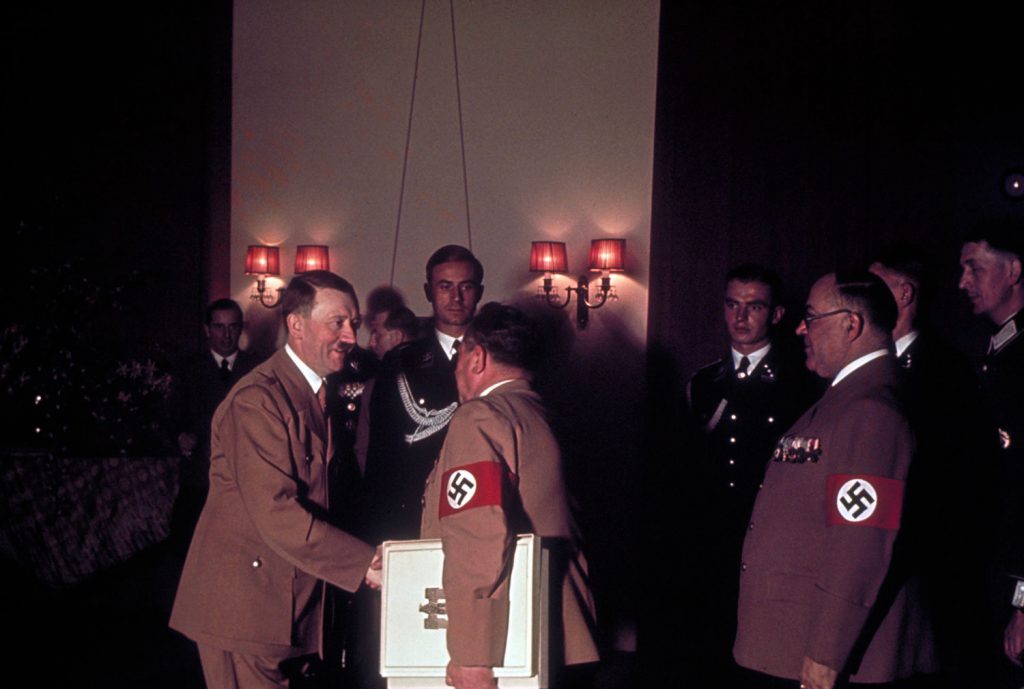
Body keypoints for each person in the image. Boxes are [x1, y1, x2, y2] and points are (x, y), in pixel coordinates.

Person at [169, 271, 382, 689]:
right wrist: (365, 564)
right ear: (296, 325)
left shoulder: (316, 392)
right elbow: (277, 513)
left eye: (353, 323)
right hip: (245, 610)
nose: (350, 336)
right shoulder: (258, 400)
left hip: (283, 607)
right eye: (336, 322)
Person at [734, 270, 936, 689]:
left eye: (811, 317)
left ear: (851, 324)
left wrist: (827, 654)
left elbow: (860, 543)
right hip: (794, 641)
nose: (800, 329)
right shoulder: (845, 400)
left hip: (838, 659)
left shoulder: (872, 411)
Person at [420, 303, 599, 689]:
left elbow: (477, 535)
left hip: (511, 643)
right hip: (568, 635)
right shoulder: (549, 416)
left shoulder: (481, 418)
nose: (455, 371)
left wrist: (472, 654)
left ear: (477, 357)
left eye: (459, 357)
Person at [870, 246, 1000, 683]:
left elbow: (955, 479)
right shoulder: (868, 363)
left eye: (877, 286)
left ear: (904, 294)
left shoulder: (945, 370)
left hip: (927, 564)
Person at [685, 263, 816, 684]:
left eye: (754, 306)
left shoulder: (803, 382)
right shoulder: (704, 382)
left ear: (776, 315)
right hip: (709, 538)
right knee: (708, 645)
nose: (740, 318)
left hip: (773, 536)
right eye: (732, 305)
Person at [363, 245, 485, 542]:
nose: (456, 298)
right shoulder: (401, 362)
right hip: (415, 517)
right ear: (428, 291)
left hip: (484, 512)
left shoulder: (500, 355)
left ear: (479, 292)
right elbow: (382, 456)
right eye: (445, 287)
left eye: (465, 287)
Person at [958, 220, 1024, 681]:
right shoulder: (996, 350)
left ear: (1014, 270)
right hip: (993, 563)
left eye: (973, 269)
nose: (962, 282)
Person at [171, 298, 261, 545]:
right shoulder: (188, 370)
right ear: (207, 329)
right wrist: (180, 437)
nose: (227, 334)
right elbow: (172, 417)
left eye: (232, 326)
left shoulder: (258, 369)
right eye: (219, 327)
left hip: (246, 478)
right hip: (200, 477)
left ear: (241, 328)